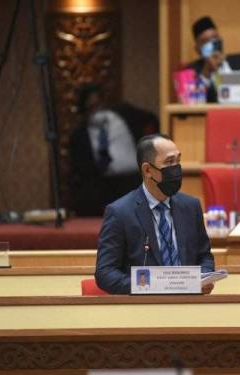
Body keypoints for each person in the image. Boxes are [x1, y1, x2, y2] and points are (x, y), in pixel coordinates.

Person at [95, 134, 215, 294]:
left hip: (189, 304)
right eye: (169, 162)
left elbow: (204, 255)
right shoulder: (120, 213)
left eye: (178, 161)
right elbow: (105, 273)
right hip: (145, 310)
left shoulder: (191, 207)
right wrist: (148, 286)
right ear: (147, 170)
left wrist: (204, 276)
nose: (176, 168)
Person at [69, 83, 159, 216]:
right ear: (84, 111)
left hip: (133, 179)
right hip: (102, 185)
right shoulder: (79, 136)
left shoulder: (123, 113)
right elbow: (80, 170)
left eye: (99, 104)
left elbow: (151, 120)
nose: (97, 110)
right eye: (91, 107)